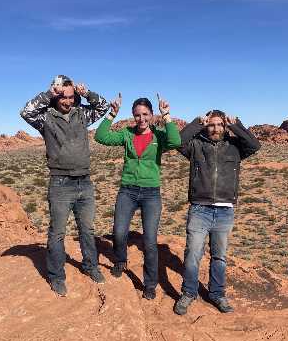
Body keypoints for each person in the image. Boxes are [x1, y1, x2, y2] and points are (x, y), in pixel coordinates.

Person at [20, 75, 110, 296]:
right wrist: (48, 94)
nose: (68, 101)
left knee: (87, 229)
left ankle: (90, 266)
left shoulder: (82, 114)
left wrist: (87, 94)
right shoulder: (46, 117)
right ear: (56, 96)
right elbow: (26, 112)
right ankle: (56, 276)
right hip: (60, 183)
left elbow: (103, 106)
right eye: (63, 97)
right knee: (58, 233)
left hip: (84, 181)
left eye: (71, 97)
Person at [94, 93, 181, 300]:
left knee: (149, 241)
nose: (141, 119)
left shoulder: (159, 136)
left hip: (151, 193)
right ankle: (120, 260)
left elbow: (176, 141)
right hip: (128, 190)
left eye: (145, 114)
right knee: (119, 232)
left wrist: (166, 116)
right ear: (133, 116)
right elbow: (101, 137)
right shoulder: (127, 134)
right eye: (137, 115)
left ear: (151, 114)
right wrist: (112, 114)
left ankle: (149, 284)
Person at [173, 110, 261, 315]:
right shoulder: (196, 145)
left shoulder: (235, 146)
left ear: (225, 126)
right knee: (193, 254)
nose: (216, 128)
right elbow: (177, 142)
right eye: (211, 125)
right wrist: (196, 123)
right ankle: (189, 293)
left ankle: (217, 294)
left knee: (219, 256)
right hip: (199, 208)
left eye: (220, 125)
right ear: (206, 126)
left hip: (224, 210)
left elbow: (254, 145)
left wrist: (236, 125)